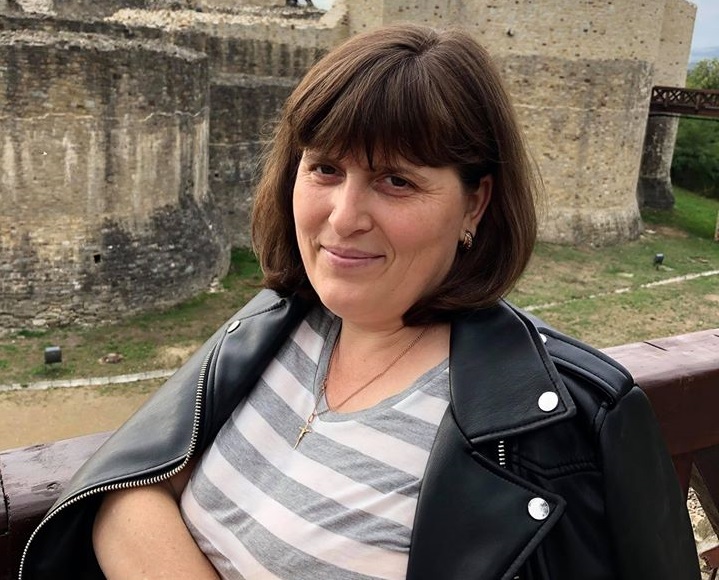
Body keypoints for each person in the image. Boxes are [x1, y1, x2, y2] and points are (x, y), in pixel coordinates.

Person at [20, 23, 699, 580]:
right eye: (325, 168)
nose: (343, 218)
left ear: (475, 204)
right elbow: (126, 491)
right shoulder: (277, 324)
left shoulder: (564, 426)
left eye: (396, 180)